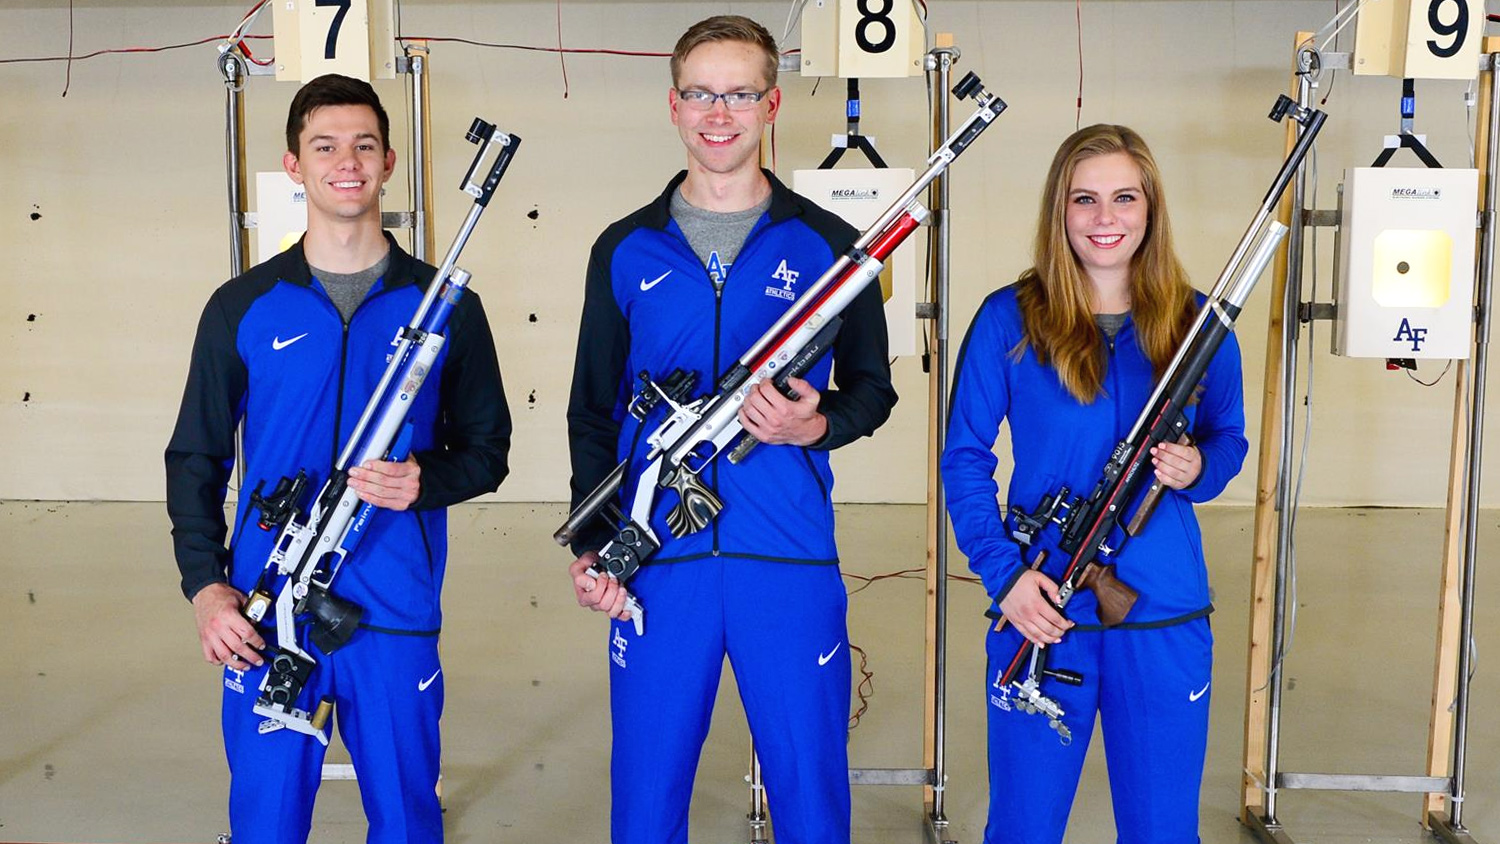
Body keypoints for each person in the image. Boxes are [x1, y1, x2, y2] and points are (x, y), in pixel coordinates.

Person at [564, 14, 897, 844]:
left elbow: (873, 390)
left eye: (740, 93)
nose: (721, 113)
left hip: (786, 557)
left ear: (772, 104)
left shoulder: (830, 246)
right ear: (674, 107)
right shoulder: (624, 249)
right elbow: (591, 409)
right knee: (645, 798)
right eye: (702, 94)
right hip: (658, 564)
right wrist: (594, 544)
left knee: (810, 797)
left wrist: (814, 424)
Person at [165, 73, 511, 843]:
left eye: (363, 145)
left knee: (407, 819)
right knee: (264, 821)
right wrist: (205, 587)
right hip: (266, 605)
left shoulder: (445, 306)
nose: (345, 162)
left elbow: (489, 452)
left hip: (395, 605)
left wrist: (426, 480)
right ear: (294, 165)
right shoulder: (243, 306)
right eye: (325, 146)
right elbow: (195, 457)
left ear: (388, 161)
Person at [941, 124, 1248, 844]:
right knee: (1022, 826)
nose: (1105, 219)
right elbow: (964, 458)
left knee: (1164, 828)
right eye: (1085, 199)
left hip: (1165, 611)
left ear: (1150, 208)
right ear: (1060, 211)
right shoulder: (1007, 319)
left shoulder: (1198, 325)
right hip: (1042, 601)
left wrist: (1199, 469)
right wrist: (1004, 579)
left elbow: (1228, 439)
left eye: (1123, 198)